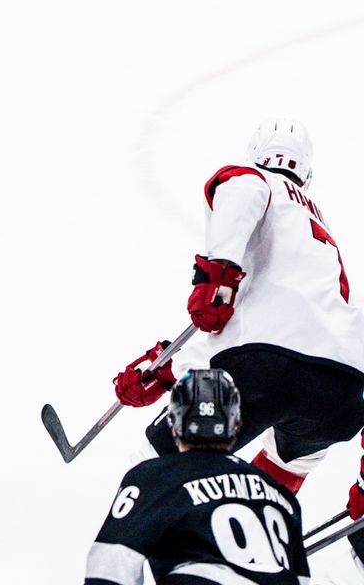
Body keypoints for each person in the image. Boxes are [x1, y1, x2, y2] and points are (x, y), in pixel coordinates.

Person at [112, 119, 364, 494]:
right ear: (307, 174)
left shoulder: (255, 180)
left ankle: (150, 543)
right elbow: (281, 328)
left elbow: (260, 347)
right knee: (290, 460)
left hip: (267, 371)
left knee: (155, 461)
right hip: (343, 397)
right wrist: (166, 369)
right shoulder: (319, 244)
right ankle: (259, 527)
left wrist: (219, 272)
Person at [85, 369, 309, 585]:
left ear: (173, 425)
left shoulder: (153, 476)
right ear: (236, 425)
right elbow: (301, 579)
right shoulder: (281, 495)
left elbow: (111, 563)